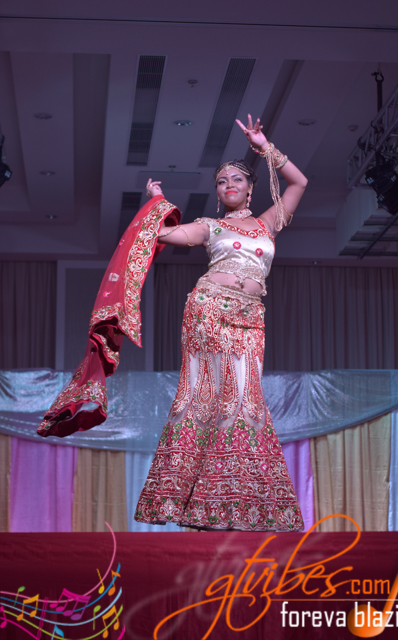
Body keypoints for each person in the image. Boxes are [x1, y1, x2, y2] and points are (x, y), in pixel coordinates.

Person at [134, 115, 308, 531]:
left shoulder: (268, 223)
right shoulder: (210, 227)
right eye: (221, 182)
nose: (228, 185)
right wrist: (156, 203)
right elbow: (164, 236)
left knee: (246, 400)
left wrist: (265, 147)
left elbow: (299, 182)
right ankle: (195, 501)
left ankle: (233, 503)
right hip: (209, 310)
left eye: (236, 179)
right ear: (217, 193)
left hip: (251, 318)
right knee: (209, 396)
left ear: (250, 187)